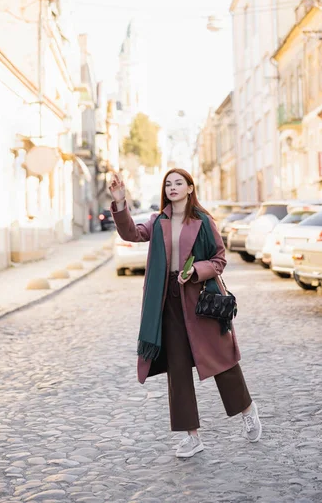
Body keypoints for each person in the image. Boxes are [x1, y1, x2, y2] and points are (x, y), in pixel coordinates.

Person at [109, 168, 261, 458]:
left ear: (190, 188)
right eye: (168, 184)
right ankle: (192, 436)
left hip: (199, 297)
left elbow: (219, 259)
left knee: (220, 360)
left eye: (179, 183)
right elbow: (130, 232)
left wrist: (196, 271)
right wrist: (119, 201)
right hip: (168, 300)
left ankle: (247, 410)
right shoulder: (158, 222)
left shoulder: (203, 221)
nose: (173, 187)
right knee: (177, 368)